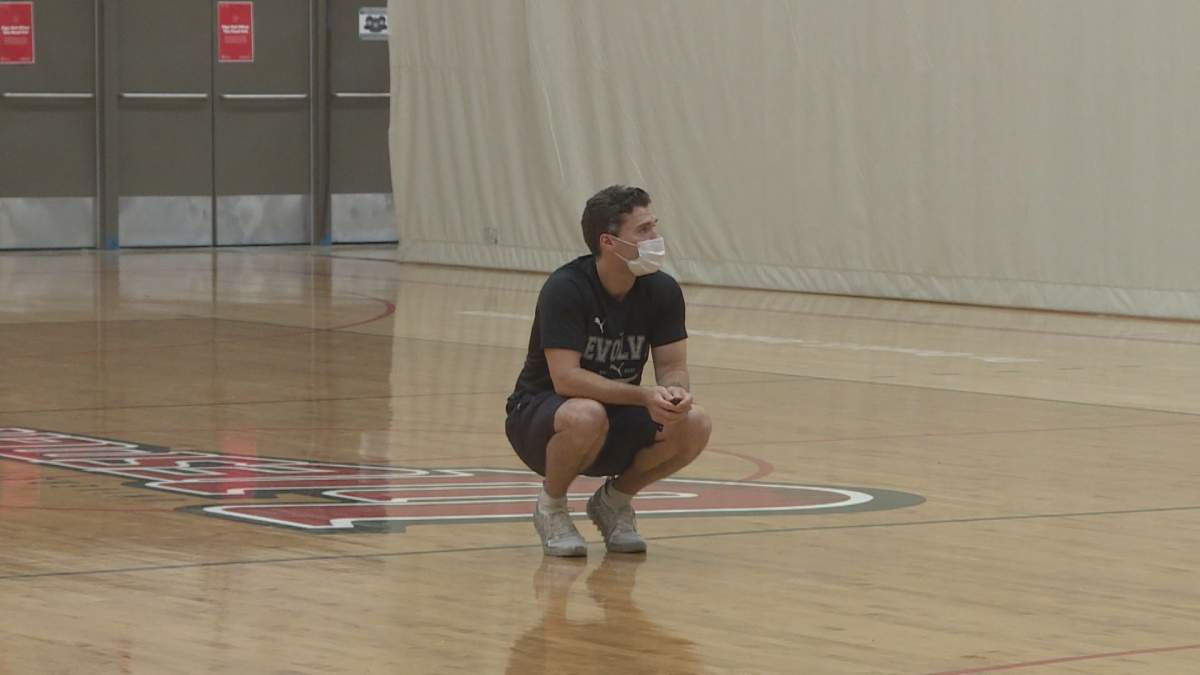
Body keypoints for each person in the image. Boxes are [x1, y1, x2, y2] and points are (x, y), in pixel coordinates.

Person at [505, 185, 712, 556]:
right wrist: (642, 395)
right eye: (643, 230)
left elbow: (672, 365)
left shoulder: (662, 290)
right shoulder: (565, 288)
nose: (656, 238)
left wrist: (674, 393)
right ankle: (551, 507)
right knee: (587, 413)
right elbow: (566, 379)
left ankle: (614, 502)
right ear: (609, 242)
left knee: (695, 422)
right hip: (541, 415)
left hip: (614, 414)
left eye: (655, 226)